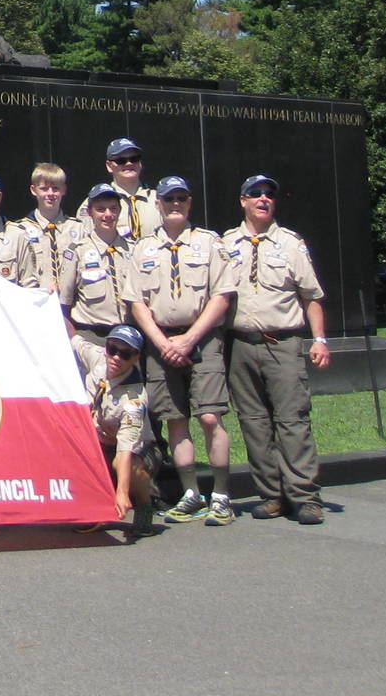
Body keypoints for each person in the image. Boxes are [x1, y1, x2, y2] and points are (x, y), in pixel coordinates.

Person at [129, 176, 236, 526]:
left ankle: (220, 495)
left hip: (202, 340)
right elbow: (137, 303)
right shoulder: (142, 248)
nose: (175, 203)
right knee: (175, 420)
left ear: (190, 203)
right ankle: (191, 494)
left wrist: (189, 339)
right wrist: (162, 343)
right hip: (160, 344)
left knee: (209, 416)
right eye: (168, 199)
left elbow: (222, 296)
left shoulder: (210, 243)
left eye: (182, 198)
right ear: (157, 204)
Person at [223, 174, 329, 525]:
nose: (263, 199)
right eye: (256, 194)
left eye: (269, 194)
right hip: (240, 346)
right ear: (243, 201)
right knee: (253, 423)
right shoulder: (226, 244)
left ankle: (305, 496)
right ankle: (271, 495)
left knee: (292, 421)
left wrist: (320, 340)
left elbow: (311, 297)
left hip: (282, 344)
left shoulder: (290, 244)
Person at [79, 325, 158, 539]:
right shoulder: (98, 358)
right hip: (99, 441)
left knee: (126, 465)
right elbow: (73, 337)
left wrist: (122, 493)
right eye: (112, 349)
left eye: (125, 354)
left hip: (136, 451)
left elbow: (125, 451)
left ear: (135, 358)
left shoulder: (133, 399)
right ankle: (95, 508)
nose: (116, 357)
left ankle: (144, 506)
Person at [64, 182, 139, 375]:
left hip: (127, 337)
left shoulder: (133, 249)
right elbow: (64, 304)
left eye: (113, 209)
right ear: (89, 212)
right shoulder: (77, 251)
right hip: (92, 337)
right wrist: (76, 341)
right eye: (100, 209)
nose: (107, 214)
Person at [17, 161, 80, 295]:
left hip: (72, 305)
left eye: (56, 188)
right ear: (33, 190)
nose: (50, 194)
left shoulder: (78, 229)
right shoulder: (21, 230)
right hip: (38, 303)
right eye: (44, 189)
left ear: (64, 190)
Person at [77, 138, 155, 241]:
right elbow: (85, 244)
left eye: (134, 159)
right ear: (109, 166)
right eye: (121, 160)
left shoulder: (160, 200)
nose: (129, 163)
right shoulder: (93, 203)